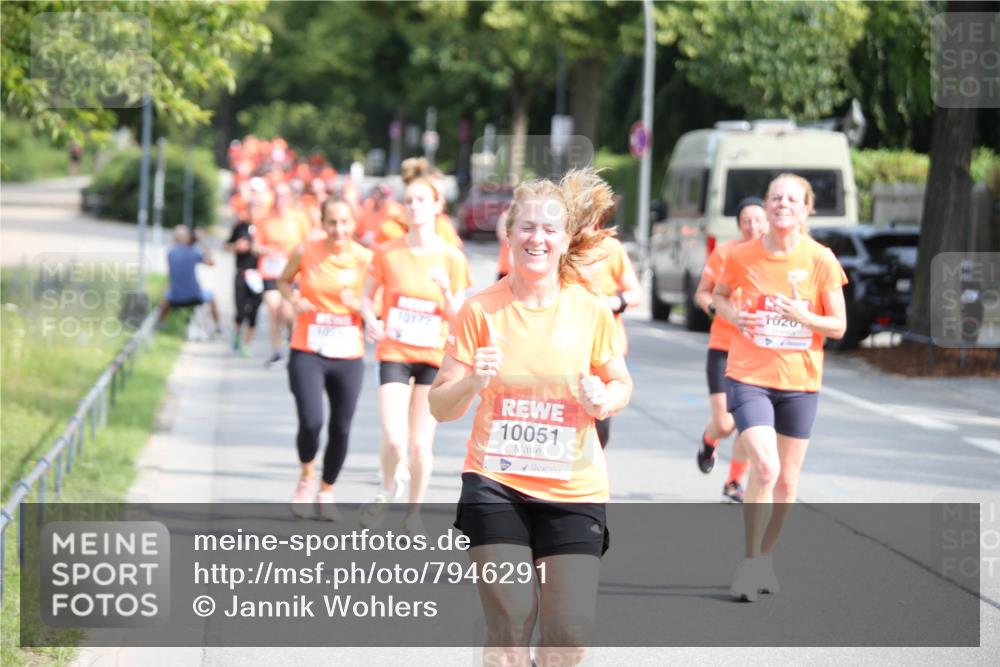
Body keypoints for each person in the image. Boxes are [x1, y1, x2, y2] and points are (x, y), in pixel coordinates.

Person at [429, 169, 632, 666]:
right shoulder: (481, 311)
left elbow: (621, 383)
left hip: (572, 488)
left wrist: (602, 399)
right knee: (512, 618)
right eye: (526, 227)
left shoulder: (590, 310)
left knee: (569, 634)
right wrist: (474, 381)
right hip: (495, 482)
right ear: (509, 231)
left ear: (564, 240)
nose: (536, 238)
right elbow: (439, 405)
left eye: (548, 229)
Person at [712, 174, 847, 602]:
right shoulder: (740, 255)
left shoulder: (821, 260)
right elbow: (719, 296)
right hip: (749, 376)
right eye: (775, 197)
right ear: (766, 207)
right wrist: (736, 316)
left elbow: (839, 326)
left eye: (792, 199)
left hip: (800, 382)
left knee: (787, 483)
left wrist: (803, 317)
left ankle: (765, 557)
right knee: (765, 469)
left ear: (806, 209)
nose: (782, 204)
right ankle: (750, 562)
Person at [359, 176, 471, 533]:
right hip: (394, 350)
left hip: (433, 356)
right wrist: (370, 320)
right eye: (409, 200)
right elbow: (365, 296)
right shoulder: (387, 251)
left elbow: (462, 318)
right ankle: (387, 488)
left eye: (422, 200)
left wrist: (445, 291)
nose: (414, 206)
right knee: (395, 438)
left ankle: (413, 514)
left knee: (421, 446)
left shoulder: (451, 257)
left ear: (437, 206)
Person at [278, 199, 372, 521]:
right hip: (308, 349)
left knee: (341, 429)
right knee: (311, 421)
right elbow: (282, 280)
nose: (339, 230)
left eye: (345, 222)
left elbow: (380, 305)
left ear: (353, 223)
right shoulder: (306, 250)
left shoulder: (365, 259)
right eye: (332, 223)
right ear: (322, 223)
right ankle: (306, 477)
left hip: (348, 354)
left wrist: (360, 305)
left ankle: (327, 489)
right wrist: (294, 297)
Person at [694, 197, 769, 502]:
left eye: (758, 220)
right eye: (746, 221)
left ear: (767, 222)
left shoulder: (774, 257)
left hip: (758, 352)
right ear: (739, 225)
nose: (753, 226)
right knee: (725, 423)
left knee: (747, 423)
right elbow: (702, 292)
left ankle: (734, 482)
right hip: (723, 347)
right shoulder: (726, 253)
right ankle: (709, 439)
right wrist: (717, 309)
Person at [581, 206, 641, 449]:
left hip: (606, 344)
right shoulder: (561, 245)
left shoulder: (611, 248)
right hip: (567, 342)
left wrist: (614, 303)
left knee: (600, 425)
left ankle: (590, 467)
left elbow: (635, 293)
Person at [254, 183, 311, 364]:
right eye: (278, 196)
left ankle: (292, 336)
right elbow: (255, 246)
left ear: (291, 198)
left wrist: (296, 255)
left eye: (284, 196)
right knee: (273, 308)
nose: (281, 200)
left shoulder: (299, 218)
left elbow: (308, 243)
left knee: (287, 312)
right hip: (271, 271)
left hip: (292, 272)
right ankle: (277, 351)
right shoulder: (265, 219)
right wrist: (266, 250)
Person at [159, 226, 221, 332]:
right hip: (194, 296)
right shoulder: (193, 252)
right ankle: (217, 326)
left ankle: (160, 324)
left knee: (166, 296)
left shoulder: (170, 253)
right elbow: (211, 263)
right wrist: (201, 241)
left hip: (175, 297)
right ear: (187, 238)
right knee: (211, 296)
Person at [224, 214, 262, 356]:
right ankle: (237, 334)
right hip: (242, 273)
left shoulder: (266, 227)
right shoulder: (240, 227)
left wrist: (259, 249)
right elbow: (226, 246)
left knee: (253, 313)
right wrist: (237, 246)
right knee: (240, 311)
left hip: (259, 275)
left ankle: (247, 344)